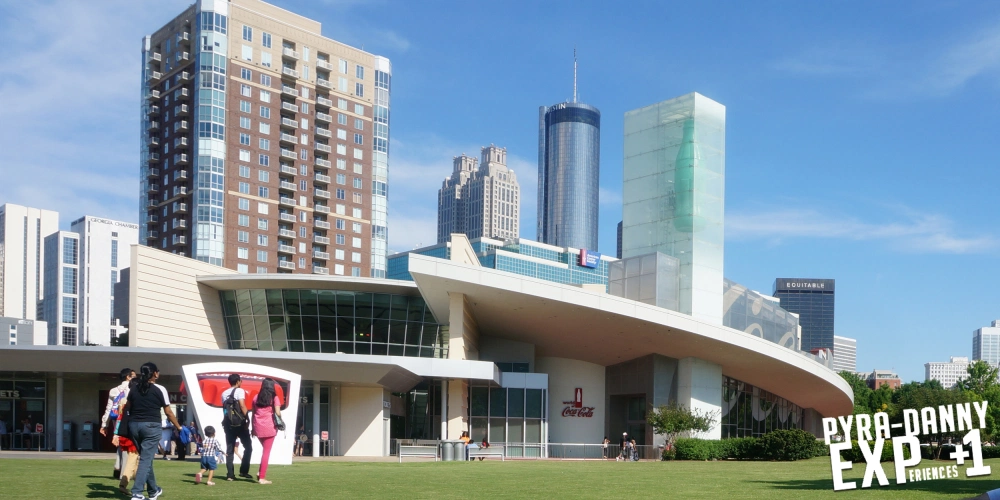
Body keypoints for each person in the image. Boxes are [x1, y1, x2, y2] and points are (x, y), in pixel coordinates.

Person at [124, 362, 182, 500]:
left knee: (146, 459)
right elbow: (168, 412)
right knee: (145, 459)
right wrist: (179, 427)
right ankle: (137, 492)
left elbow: (127, 407)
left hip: (134, 426)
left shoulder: (134, 389)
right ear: (155, 373)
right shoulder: (160, 389)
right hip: (151, 426)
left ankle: (153, 491)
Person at [101, 367, 134, 479]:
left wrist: (104, 424)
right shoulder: (133, 388)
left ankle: (117, 466)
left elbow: (109, 409)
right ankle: (123, 473)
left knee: (120, 443)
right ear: (128, 376)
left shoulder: (114, 390)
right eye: (133, 375)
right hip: (128, 419)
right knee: (127, 445)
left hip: (117, 420)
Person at [249, 377, 283, 484]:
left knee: (265, 451)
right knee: (266, 453)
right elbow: (278, 413)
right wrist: (280, 419)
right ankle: (262, 477)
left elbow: (253, 414)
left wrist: (253, 428)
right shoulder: (275, 398)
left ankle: (260, 472)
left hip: (258, 427)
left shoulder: (256, 397)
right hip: (270, 428)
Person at [221, 373, 253, 481]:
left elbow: (225, 410)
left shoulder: (224, 393)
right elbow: (242, 405)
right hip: (240, 423)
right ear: (238, 381)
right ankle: (244, 471)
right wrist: (248, 419)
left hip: (228, 424)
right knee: (248, 447)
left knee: (229, 450)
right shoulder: (240, 391)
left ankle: (230, 475)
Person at [113, 378, 141, 495]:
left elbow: (120, 418)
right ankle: (125, 483)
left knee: (135, 459)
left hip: (125, 432)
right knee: (133, 459)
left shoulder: (124, 400)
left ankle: (139, 482)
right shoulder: (135, 399)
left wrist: (116, 434)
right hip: (133, 433)